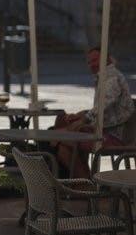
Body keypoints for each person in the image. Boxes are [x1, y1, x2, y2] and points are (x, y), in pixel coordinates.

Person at [53, 47, 134, 178]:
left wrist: (84, 119)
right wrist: (80, 115)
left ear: (106, 59)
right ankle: (83, 182)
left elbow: (103, 105)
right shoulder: (104, 77)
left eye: (95, 60)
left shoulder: (112, 79)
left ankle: (85, 185)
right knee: (61, 124)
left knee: (65, 141)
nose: (91, 65)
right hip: (104, 130)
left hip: (114, 136)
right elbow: (103, 109)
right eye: (89, 62)